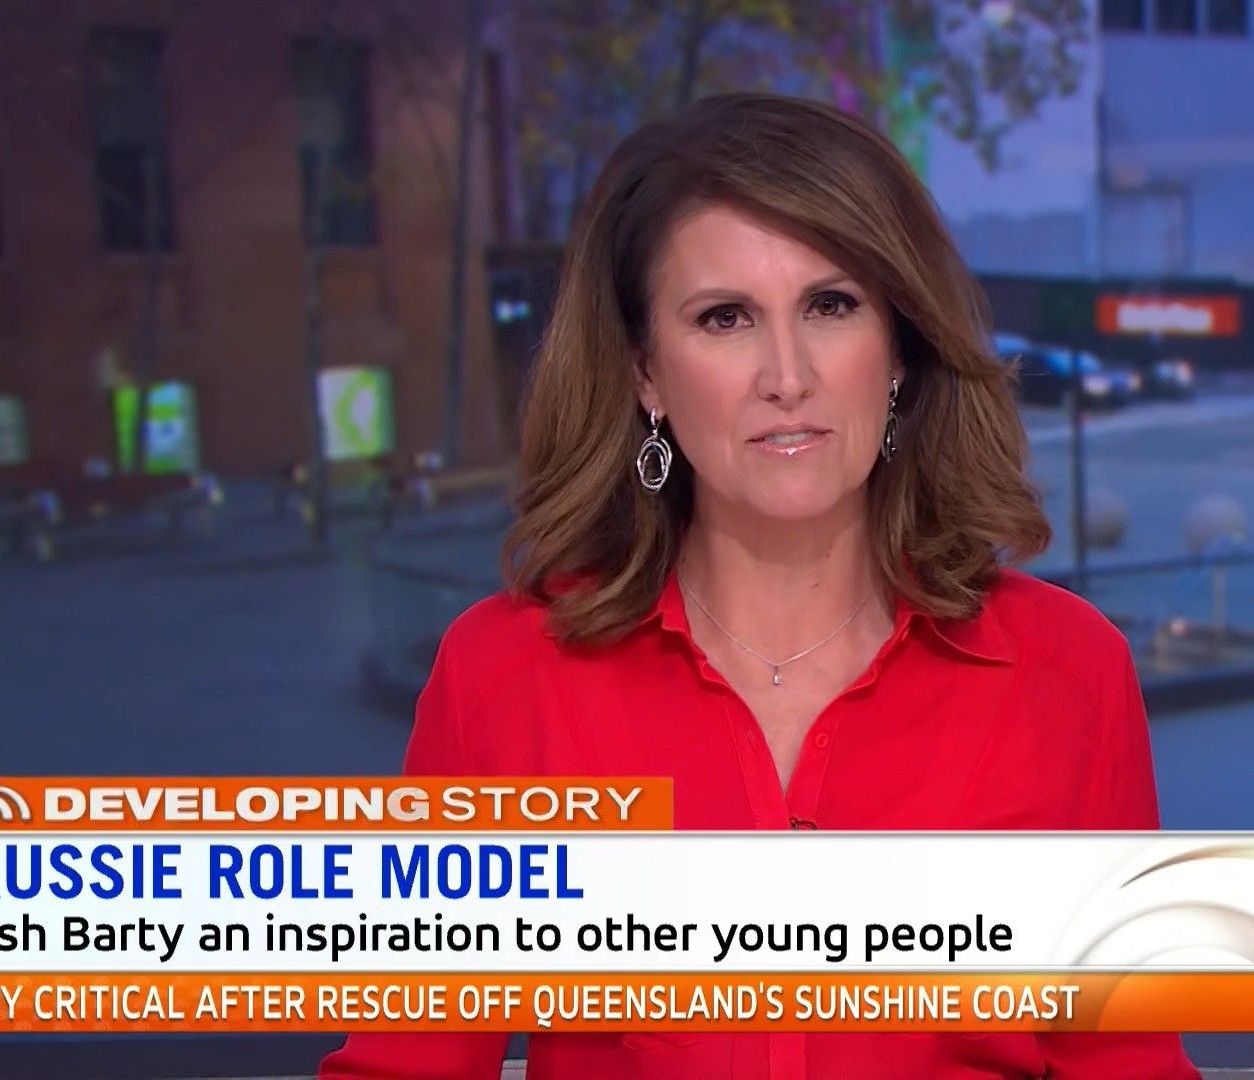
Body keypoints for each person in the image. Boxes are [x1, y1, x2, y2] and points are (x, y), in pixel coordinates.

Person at [320, 92, 1199, 1079]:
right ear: (647, 373)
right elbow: (407, 1062)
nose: (787, 375)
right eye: (725, 318)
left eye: (831, 306)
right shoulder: (505, 679)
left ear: (898, 351)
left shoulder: (1066, 675)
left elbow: (1126, 1062)